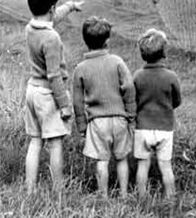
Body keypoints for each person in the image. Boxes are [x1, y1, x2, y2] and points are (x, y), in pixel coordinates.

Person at [24, 0, 83, 195]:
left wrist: (70, 6)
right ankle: (58, 190)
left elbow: (51, 18)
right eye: (55, 7)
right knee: (55, 144)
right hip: (47, 95)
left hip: (31, 91)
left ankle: (30, 189)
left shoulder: (30, 28)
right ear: (51, 8)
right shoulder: (52, 38)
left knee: (35, 141)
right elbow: (54, 75)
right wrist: (65, 105)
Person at [72, 16, 136, 199]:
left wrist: (82, 125)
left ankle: (104, 197)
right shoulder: (117, 61)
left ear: (85, 42)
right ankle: (124, 194)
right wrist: (131, 114)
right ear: (107, 41)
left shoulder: (80, 68)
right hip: (120, 119)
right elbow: (129, 87)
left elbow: (77, 101)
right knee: (122, 158)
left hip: (97, 122)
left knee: (102, 161)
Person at [133, 28, 182, 200]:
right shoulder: (171, 76)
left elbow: (134, 101)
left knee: (142, 165)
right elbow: (177, 101)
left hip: (143, 128)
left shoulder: (138, 76)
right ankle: (170, 199)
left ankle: (142, 198)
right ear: (164, 53)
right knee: (166, 166)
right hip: (165, 128)